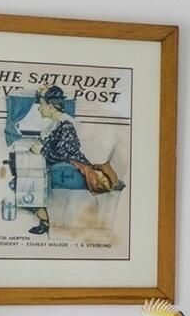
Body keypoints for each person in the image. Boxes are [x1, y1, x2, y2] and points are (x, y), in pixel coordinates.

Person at [22, 85, 120, 235]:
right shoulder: (55, 124)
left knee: (30, 182)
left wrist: (41, 150)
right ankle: (45, 220)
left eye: (41, 105)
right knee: (24, 181)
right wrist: (39, 148)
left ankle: (47, 220)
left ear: (50, 107)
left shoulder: (66, 124)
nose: (39, 109)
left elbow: (63, 154)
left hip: (74, 170)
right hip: (65, 167)